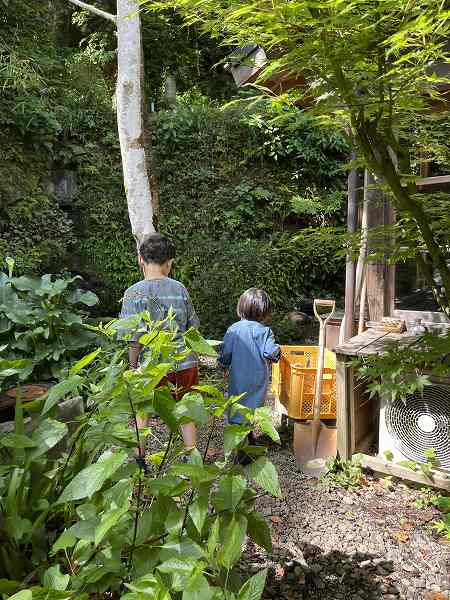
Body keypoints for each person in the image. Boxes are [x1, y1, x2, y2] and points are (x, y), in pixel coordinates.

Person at [119, 233, 200, 472]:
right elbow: (192, 327)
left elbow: (132, 338)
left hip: (150, 366)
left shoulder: (132, 293)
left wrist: (133, 367)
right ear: (170, 262)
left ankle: (140, 460)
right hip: (183, 363)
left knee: (143, 411)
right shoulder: (180, 289)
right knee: (186, 409)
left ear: (140, 259)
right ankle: (191, 458)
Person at [218, 288, 280, 464]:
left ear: (241, 308)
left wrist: (223, 367)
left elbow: (225, 354)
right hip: (257, 379)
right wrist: (279, 351)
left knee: (237, 408)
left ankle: (243, 444)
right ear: (264, 312)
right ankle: (246, 444)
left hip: (238, 378)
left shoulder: (233, 330)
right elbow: (271, 352)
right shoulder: (265, 331)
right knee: (253, 409)